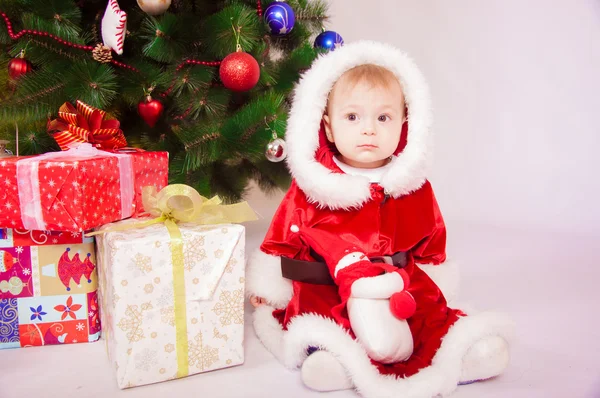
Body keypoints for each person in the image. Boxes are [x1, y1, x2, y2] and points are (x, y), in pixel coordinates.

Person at [246, 40, 513, 397]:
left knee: (426, 319)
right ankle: (339, 360)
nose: (369, 129)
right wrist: (269, 290)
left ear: (405, 125)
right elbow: (282, 238)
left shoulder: (411, 187)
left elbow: (431, 241)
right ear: (327, 127)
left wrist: (433, 276)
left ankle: (462, 356)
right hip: (328, 288)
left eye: (383, 118)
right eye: (352, 117)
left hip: (401, 283)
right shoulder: (313, 187)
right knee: (332, 323)